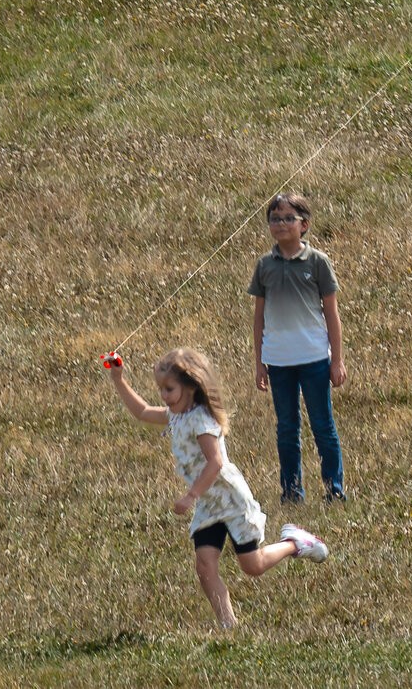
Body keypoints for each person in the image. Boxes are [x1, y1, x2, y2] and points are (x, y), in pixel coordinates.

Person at [104, 347, 329, 630]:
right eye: (161, 389)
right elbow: (143, 412)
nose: (163, 396)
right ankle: (228, 625)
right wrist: (118, 379)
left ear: (190, 387)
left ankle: (296, 543)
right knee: (205, 566)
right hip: (210, 505)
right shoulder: (177, 415)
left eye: (169, 389)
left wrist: (191, 495)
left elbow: (216, 462)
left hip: (230, 500)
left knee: (253, 566)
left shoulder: (201, 419)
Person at [248, 192, 347, 503]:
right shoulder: (265, 265)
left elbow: (331, 313)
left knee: (322, 426)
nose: (281, 224)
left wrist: (337, 360)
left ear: (304, 225)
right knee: (287, 429)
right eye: (275, 219)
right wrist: (259, 362)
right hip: (279, 361)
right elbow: (259, 316)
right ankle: (291, 492)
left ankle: (334, 489)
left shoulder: (318, 262)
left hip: (314, 358)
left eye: (289, 218)